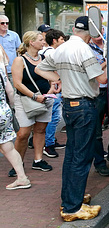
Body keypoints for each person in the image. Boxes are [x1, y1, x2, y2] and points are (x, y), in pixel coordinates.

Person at [35, 16, 106, 222]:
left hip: (69, 105)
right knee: (82, 157)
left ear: (74, 29)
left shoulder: (61, 48)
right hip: (84, 105)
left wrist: (59, 79)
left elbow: (40, 69)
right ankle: (72, 208)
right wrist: (106, 63)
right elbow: (100, 79)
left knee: (72, 154)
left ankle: (70, 198)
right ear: (91, 32)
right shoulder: (85, 50)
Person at [10, 31, 56, 177]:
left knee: (41, 129)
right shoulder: (20, 60)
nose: (44, 42)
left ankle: (38, 160)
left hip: (45, 98)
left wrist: (52, 88)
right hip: (26, 100)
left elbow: (52, 76)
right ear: (31, 42)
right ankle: (18, 162)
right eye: (41, 40)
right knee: (23, 133)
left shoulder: (44, 58)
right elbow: (17, 84)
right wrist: (34, 96)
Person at [0, 58, 31, 190]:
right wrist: (10, 107)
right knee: (7, 146)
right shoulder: (1, 69)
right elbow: (10, 91)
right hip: (3, 110)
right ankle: (22, 178)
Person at [88, 28, 109, 177]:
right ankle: (99, 163)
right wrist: (107, 61)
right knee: (96, 130)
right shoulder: (86, 49)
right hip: (98, 91)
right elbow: (93, 71)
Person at [39, 29, 66, 158]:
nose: (64, 41)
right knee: (53, 117)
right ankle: (48, 144)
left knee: (54, 116)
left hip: (54, 88)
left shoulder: (50, 52)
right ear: (55, 40)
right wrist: (56, 82)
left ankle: (50, 141)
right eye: (61, 39)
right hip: (54, 89)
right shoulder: (52, 53)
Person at [0, 14, 21, 83]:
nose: (5, 25)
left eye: (7, 23)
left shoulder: (14, 35)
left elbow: (20, 50)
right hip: (1, 70)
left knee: (12, 92)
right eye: (2, 23)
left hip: (12, 70)